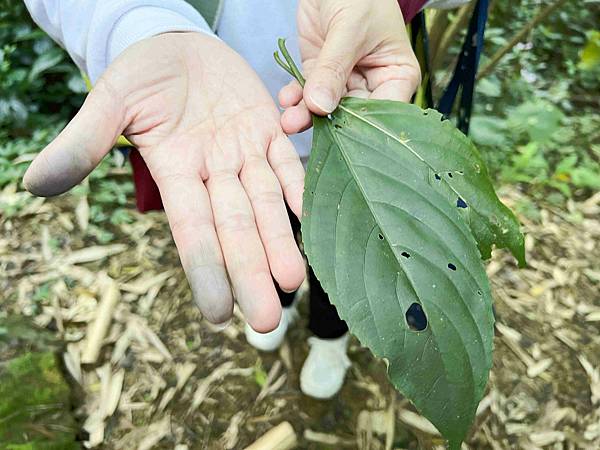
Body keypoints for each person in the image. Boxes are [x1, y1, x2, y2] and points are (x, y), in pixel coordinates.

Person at [23, 0, 470, 399]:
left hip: (348, 107)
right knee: (267, 235)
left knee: (348, 250)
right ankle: (285, 309)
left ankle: (329, 340)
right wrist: (139, 22)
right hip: (230, 136)